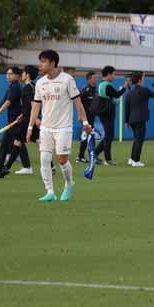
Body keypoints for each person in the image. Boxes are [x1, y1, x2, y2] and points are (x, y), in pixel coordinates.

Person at [25, 52, 91, 200]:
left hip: (64, 127)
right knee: (44, 159)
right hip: (46, 127)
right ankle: (50, 192)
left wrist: (85, 122)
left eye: (43, 62)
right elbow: (35, 106)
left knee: (61, 159)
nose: (40, 65)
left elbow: (78, 103)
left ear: (53, 63)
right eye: (40, 62)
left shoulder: (67, 80)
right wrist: (30, 128)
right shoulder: (40, 83)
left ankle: (69, 183)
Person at [0, 67, 23, 173]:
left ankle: (1, 166)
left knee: (11, 143)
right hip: (13, 120)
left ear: (17, 76)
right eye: (7, 74)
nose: (8, 76)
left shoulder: (15, 87)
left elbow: (8, 102)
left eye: (10, 74)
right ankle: (2, 165)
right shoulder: (12, 87)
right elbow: (4, 100)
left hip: (15, 120)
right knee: (12, 142)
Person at [91, 66, 125, 165]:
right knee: (109, 136)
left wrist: (114, 100)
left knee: (108, 136)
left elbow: (110, 97)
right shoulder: (107, 85)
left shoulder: (101, 84)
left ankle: (95, 154)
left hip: (104, 112)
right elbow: (117, 94)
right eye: (114, 74)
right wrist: (125, 87)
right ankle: (108, 159)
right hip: (107, 113)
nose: (114, 76)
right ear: (109, 74)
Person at [123, 72, 153, 167]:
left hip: (132, 120)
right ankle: (136, 160)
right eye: (143, 78)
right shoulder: (144, 90)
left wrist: (126, 121)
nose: (143, 80)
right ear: (139, 80)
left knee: (136, 140)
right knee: (139, 140)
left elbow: (127, 108)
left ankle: (132, 159)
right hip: (140, 119)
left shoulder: (130, 93)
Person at [78, 72, 98, 162]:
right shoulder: (85, 90)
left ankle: (86, 156)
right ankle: (81, 156)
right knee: (86, 136)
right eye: (94, 78)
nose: (96, 79)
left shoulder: (95, 90)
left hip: (92, 116)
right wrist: (80, 115)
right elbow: (79, 104)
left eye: (96, 78)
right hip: (86, 118)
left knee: (89, 136)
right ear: (89, 79)